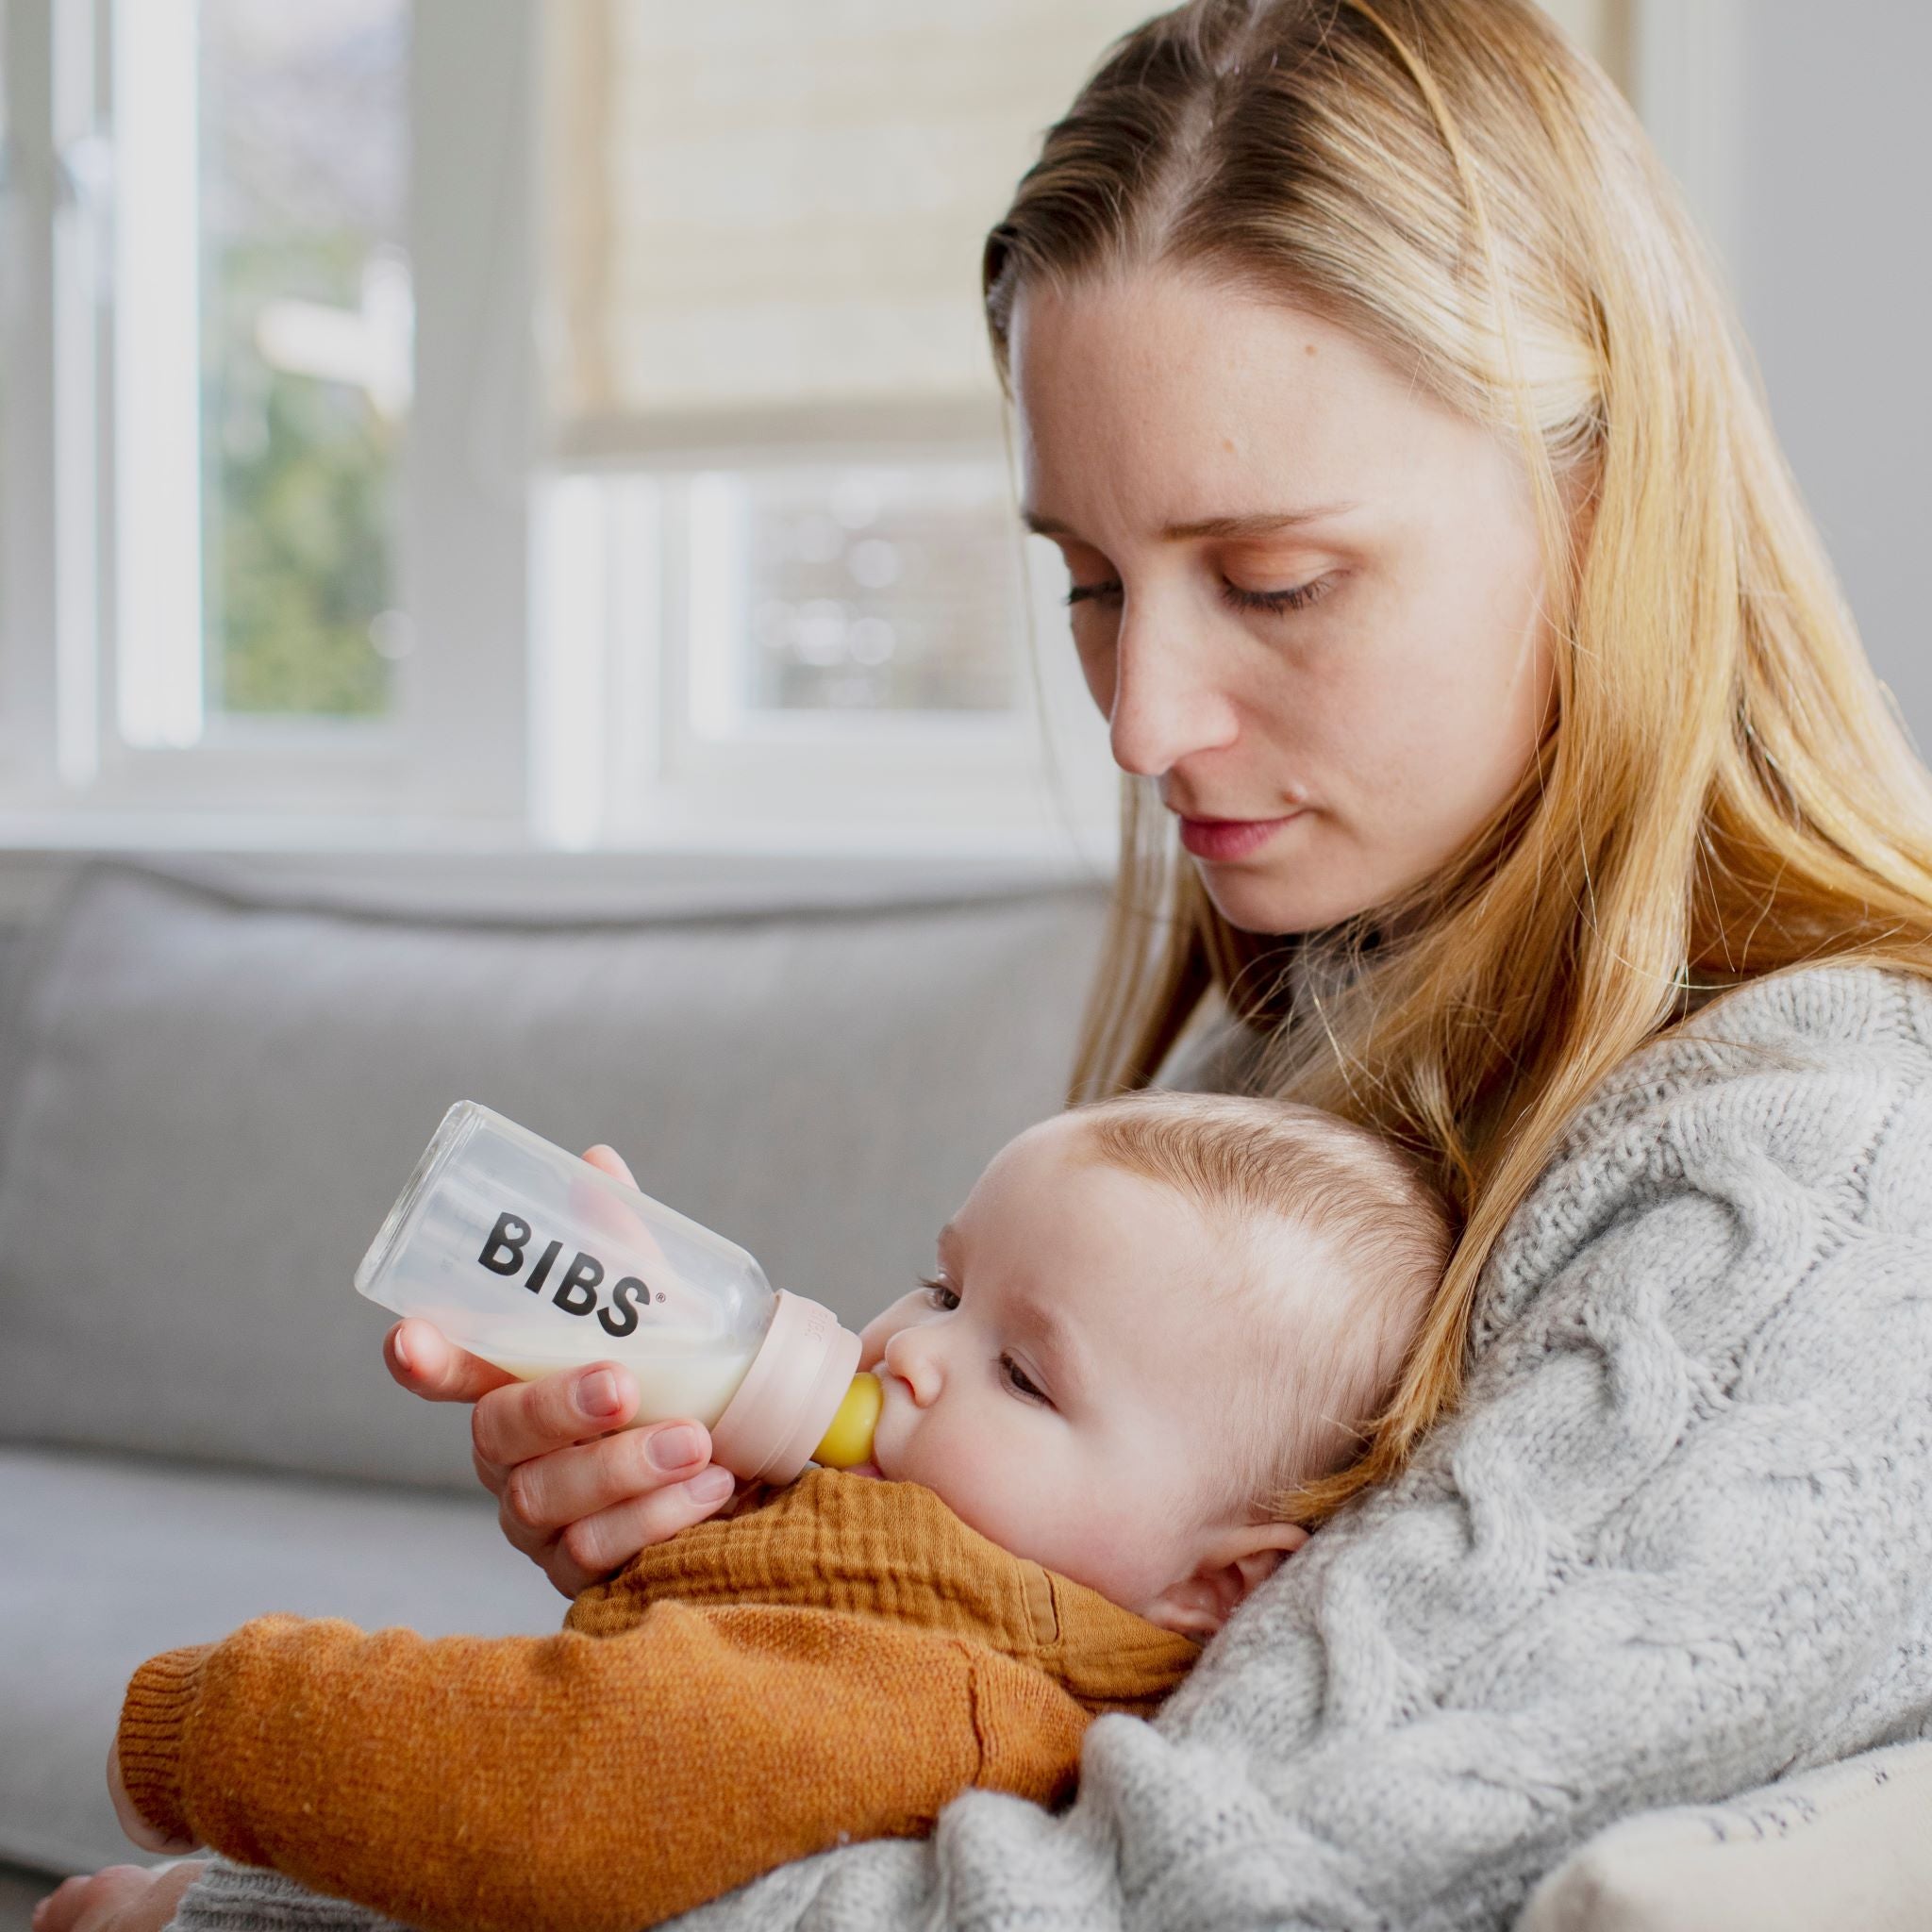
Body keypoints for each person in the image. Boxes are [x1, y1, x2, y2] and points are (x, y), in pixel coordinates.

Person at [49, 0, 1932, 1926]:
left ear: (1611, 503)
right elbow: (1030, 1716)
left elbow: (1159, 1897)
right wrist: (748, 1561)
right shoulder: (1309, 1026)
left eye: (1272, 581)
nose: (1139, 717)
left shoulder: (1808, 1196)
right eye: (1090, 583)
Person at [47, 1093, 1448, 1932]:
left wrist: (210, 1725)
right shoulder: (924, 1572)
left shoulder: (937, 1701)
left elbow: (552, 1779)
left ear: (1219, 1587)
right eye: (944, 1286)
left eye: (1020, 1373)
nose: (912, 1347)